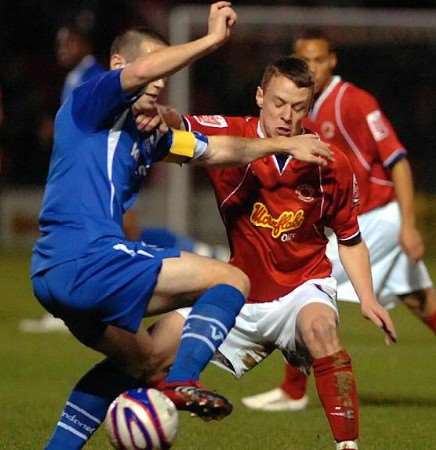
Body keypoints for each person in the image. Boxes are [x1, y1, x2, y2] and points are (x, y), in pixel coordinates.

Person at [30, 5, 334, 449]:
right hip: (87, 258)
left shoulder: (147, 134)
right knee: (230, 278)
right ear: (119, 66)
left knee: (146, 362)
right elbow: (146, 69)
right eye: (153, 70)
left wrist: (283, 142)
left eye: (163, 75)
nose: (158, 81)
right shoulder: (89, 101)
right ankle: (183, 383)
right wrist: (211, 41)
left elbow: (217, 151)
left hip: (55, 274)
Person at [148, 56, 397, 450]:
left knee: (322, 330)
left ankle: (348, 446)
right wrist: (161, 112)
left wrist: (368, 299)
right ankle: (135, 425)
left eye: (299, 108)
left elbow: (350, 238)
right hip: (240, 291)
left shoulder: (330, 163)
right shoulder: (232, 135)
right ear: (260, 96)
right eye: (279, 103)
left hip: (302, 289)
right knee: (152, 350)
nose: (287, 115)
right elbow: (181, 127)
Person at [241, 31, 435, 414]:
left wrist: (407, 224)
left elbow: (397, 160)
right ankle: (293, 388)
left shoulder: (355, 102)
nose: (311, 67)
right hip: (363, 218)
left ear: (332, 61)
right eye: (303, 60)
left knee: (301, 283)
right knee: (420, 300)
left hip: (376, 217)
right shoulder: (303, 107)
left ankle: (293, 390)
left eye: (318, 60)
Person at [20, 17, 106, 333]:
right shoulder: (76, 76)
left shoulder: (92, 76)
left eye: (66, 42)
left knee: (86, 234)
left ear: (83, 43)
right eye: (58, 43)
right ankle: (79, 306)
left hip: (91, 174)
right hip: (84, 172)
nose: (61, 49)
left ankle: (75, 307)